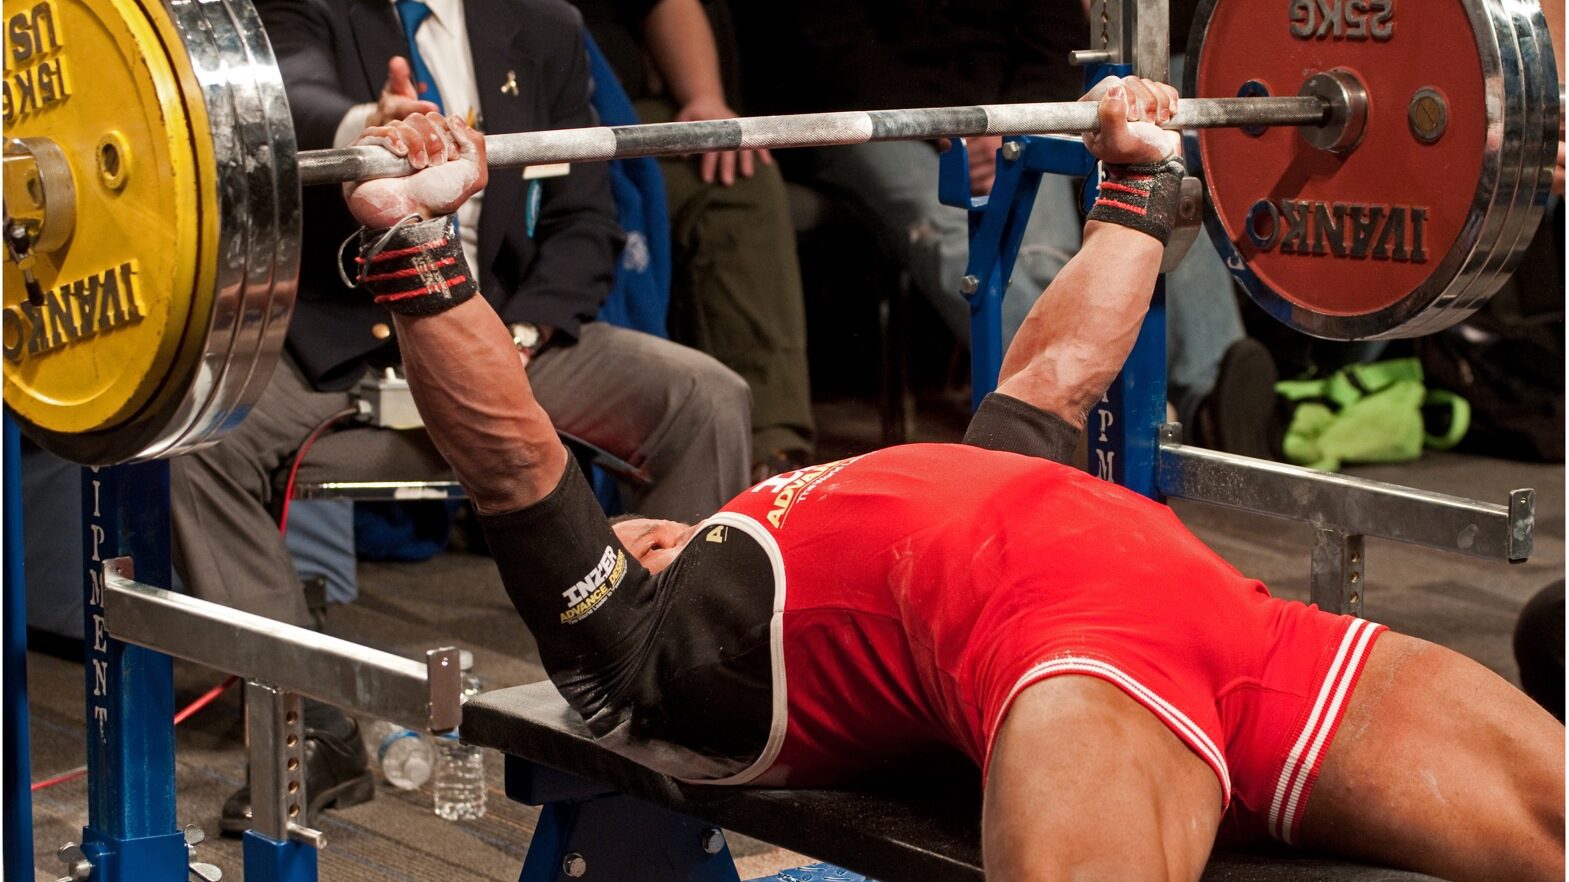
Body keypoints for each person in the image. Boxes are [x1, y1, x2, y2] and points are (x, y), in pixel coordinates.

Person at [343, 79, 1563, 881]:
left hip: (1255, 637)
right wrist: (411, 239)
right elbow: (512, 456)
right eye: (635, 532)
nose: (645, 523)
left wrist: (1139, 182)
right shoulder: (644, 654)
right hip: (1076, 665)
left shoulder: (888, 486)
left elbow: (1056, 372)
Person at [192, 0, 753, 834]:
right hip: (341, 343)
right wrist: (367, 127)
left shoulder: (547, 23)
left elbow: (584, 219)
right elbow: (291, 94)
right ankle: (312, 731)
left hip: (510, 334)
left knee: (703, 396)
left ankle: (675, 690)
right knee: (193, 441)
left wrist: (518, 338)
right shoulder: (306, 9)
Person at [733, 0, 1278, 458]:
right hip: (875, 119)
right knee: (974, 247)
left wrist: (1012, 119)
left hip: (1008, 116)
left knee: (1064, 241)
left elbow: (1050, 30)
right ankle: (1100, 421)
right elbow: (827, 47)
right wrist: (953, 123)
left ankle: (1202, 405)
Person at [573, 0, 817, 478]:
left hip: (634, 112)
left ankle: (771, 454)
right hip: (528, 114)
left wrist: (704, 97)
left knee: (739, 173)